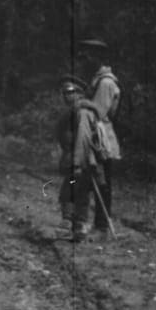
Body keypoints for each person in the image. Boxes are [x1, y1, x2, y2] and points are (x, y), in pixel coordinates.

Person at [79, 38, 122, 236]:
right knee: (95, 179)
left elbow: (100, 112)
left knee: (102, 182)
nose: (84, 60)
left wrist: (83, 104)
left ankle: (102, 225)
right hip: (95, 135)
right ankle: (97, 223)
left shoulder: (105, 82)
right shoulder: (97, 79)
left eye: (88, 56)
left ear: (97, 58)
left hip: (101, 138)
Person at [57, 73, 106, 242]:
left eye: (69, 91)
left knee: (73, 193)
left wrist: (77, 163)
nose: (65, 95)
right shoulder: (74, 111)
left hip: (82, 160)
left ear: (78, 92)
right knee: (75, 193)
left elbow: (83, 138)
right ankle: (76, 227)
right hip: (77, 159)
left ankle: (76, 227)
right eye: (63, 92)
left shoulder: (82, 112)